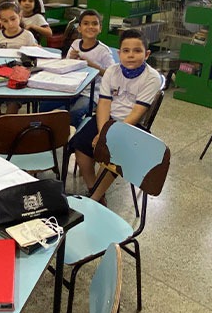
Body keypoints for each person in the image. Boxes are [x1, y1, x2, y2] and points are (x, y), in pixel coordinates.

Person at [67, 28, 162, 197]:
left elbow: (137, 112)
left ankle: (94, 198)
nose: (131, 55)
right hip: (107, 120)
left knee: (115, 154)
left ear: (147, 54)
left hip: (133, 125)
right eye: (126, 51)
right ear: (119, 53)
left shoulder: (151, 77)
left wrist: (108, 136)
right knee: (79, 146)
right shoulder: (112, 71)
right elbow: (104, 102)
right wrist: (103, 131)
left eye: (137, 51)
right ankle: (94, 189)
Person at [39, 9, 115, 125]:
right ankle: (46, 133)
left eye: (94, 23)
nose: (90, 27)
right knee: (45, 105)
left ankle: (74, 138)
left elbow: (113, 75)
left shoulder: (103, 51)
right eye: (86, 23)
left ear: (100, 28)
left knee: (76, 111)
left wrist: (91, 65)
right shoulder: (75, 44)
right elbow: (66, 65)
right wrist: (71, 61)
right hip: (72, 87)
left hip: (92, 92)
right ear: (79, 28)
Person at [0, 1, 40, 124]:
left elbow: (34, 61)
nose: (10, 24)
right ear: (0, 21)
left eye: (13, 19)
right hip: (1, 78)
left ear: (19, 16)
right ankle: (1, 135)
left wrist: (35, 50)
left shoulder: (27, 36)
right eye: (5, 21)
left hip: (19, 81)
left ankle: (7, 134)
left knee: (12, 105)